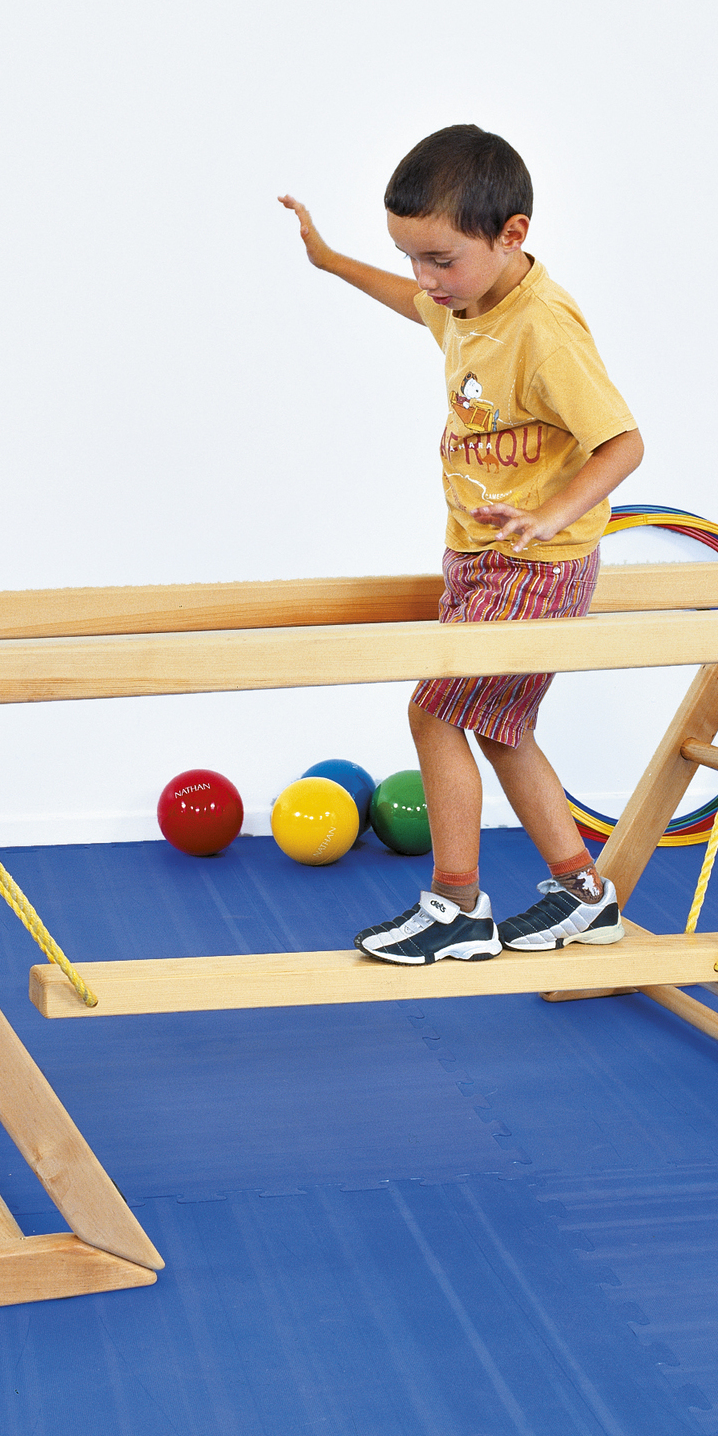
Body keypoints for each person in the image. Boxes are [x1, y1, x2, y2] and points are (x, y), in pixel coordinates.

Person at [279, 124, 643, 965]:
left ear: (512, 234)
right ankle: (584, 895)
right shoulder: (464, 303)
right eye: (411, 256)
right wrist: (330, 261)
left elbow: (624, 443)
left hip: (534, 564)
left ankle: (456, 904)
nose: (424, 279)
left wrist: (551, 514)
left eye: (439, 259)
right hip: (479, 556)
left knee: (435, 711)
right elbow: (410, 301)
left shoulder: (542, 331)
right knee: (501, 729)